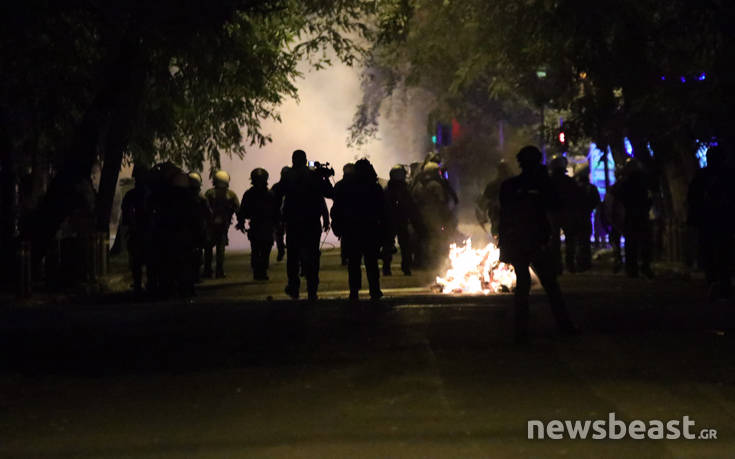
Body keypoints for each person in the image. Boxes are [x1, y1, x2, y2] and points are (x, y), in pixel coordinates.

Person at [498, 146, 577, 343]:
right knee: (549, 284)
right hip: (533, 241)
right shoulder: (538, 185)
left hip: (519, 241)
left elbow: (504, 212)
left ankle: (522, 331)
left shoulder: (510, 186)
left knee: (524, 284)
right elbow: (556, 204)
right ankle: (563, 326)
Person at [276, 150, 333, 301]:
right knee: (313, 256)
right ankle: (312, 290)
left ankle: (294, 287)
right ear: (306, 160)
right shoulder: (314, 175)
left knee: (293, 257)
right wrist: (324, 177)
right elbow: (329, 193)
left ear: (293, 160)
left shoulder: (288, 175)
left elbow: (277, 192)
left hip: (294, 223)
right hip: (311, 223)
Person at [332, 158, 385, 300]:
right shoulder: (374, 187)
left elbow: (337, 208)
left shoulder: (345, 186)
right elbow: (383, 211)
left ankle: (354, 291)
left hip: (352, 230)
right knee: (371, 262)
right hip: (370, 230)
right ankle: (374, 290)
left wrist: (337, 226)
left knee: (354, 263)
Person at [688, 145, 735, 301]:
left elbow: (692, 199)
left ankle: (716, 282)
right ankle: (721, 283)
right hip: (719, 221)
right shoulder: (726, 175)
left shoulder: (704, 175)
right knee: (722, 252)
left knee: (714, 252)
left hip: (710, 221)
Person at [236, 168, 278, 281]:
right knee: (262, 250)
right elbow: (276, 212)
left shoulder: (250, 194)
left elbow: (242, 211)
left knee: (259, 249)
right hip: (262, 226)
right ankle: (261, 271)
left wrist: (241, 223)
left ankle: (259, 271)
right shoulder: (269, 194)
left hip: (260, 226)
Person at [382, 164, 421, 276]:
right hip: (400, 220)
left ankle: (387, 267)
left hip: (391, 221)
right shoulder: (405, 190)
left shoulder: (388, 189)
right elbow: (411, 206)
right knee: (404, 245)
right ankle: (405, 267)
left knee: (389, 245)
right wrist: (415, 222)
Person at [618, 158, 654, 278]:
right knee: (644, 243)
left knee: (631, 243)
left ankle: (632, 268)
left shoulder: (625, 184)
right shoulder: (644, 183)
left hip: (631, 216)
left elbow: (621, 200)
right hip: (642, 215)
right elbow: (649, 198)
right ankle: (645, 266)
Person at [548, 155, 582, 274]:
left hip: (553, 214)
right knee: (570, 240)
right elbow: (577, 198)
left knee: (554, 241)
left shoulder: (548, 182)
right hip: (567, 214)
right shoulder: (570, 182)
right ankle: (570, 264)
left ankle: (557, 266)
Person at [120, 164, 150, 293]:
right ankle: (145, 283)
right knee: (142, 259)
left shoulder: (132, 194)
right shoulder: (150, 193)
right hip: (144, 230)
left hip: (141, 230)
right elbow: (126, 212)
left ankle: (139, 283)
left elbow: (126, 212)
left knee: (138, 260)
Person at [204, 170, 239, 278]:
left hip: (210, 225)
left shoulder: (209, 193)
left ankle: (207, 271)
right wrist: (240, 222)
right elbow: (238, 209)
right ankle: (219, 271)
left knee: (208, 248)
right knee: (220, 249)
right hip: (223, 225)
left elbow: (203, 208)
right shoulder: (231, 194)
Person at [480, 159, 513, 241]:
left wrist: (483, 216)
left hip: (503, 217)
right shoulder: (514, 184)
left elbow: (483, 203)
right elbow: (484, 202)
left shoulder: (493, 185)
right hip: (500, 216)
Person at [188, 172, 211, 284]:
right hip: (198, 228)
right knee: (197, 253)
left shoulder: (181, 197)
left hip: (186, 229)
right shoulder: (201, 198)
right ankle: (195, 276)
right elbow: (208, 213)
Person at [575, 169, 601, 271]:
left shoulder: (576, 188)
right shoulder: (592, 188)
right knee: (585, 240)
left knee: (579, 240)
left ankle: (579, 261)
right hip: (586, 216)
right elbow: (596, 201)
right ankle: (586, 261)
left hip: (577, 217)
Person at [333, 163, 356, 266]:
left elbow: (335, 200)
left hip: (343, 216)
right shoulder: (358, 184)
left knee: (345, 237)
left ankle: (344, 257)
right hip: (354, 216)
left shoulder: (339, 185)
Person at [270, 166, 290, 262]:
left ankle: (282, 250)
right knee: (279, 234)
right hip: (281, 215)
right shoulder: (293, 186)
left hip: (284, 215)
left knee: (280, 234)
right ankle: (282, 250)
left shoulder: (276, 187)